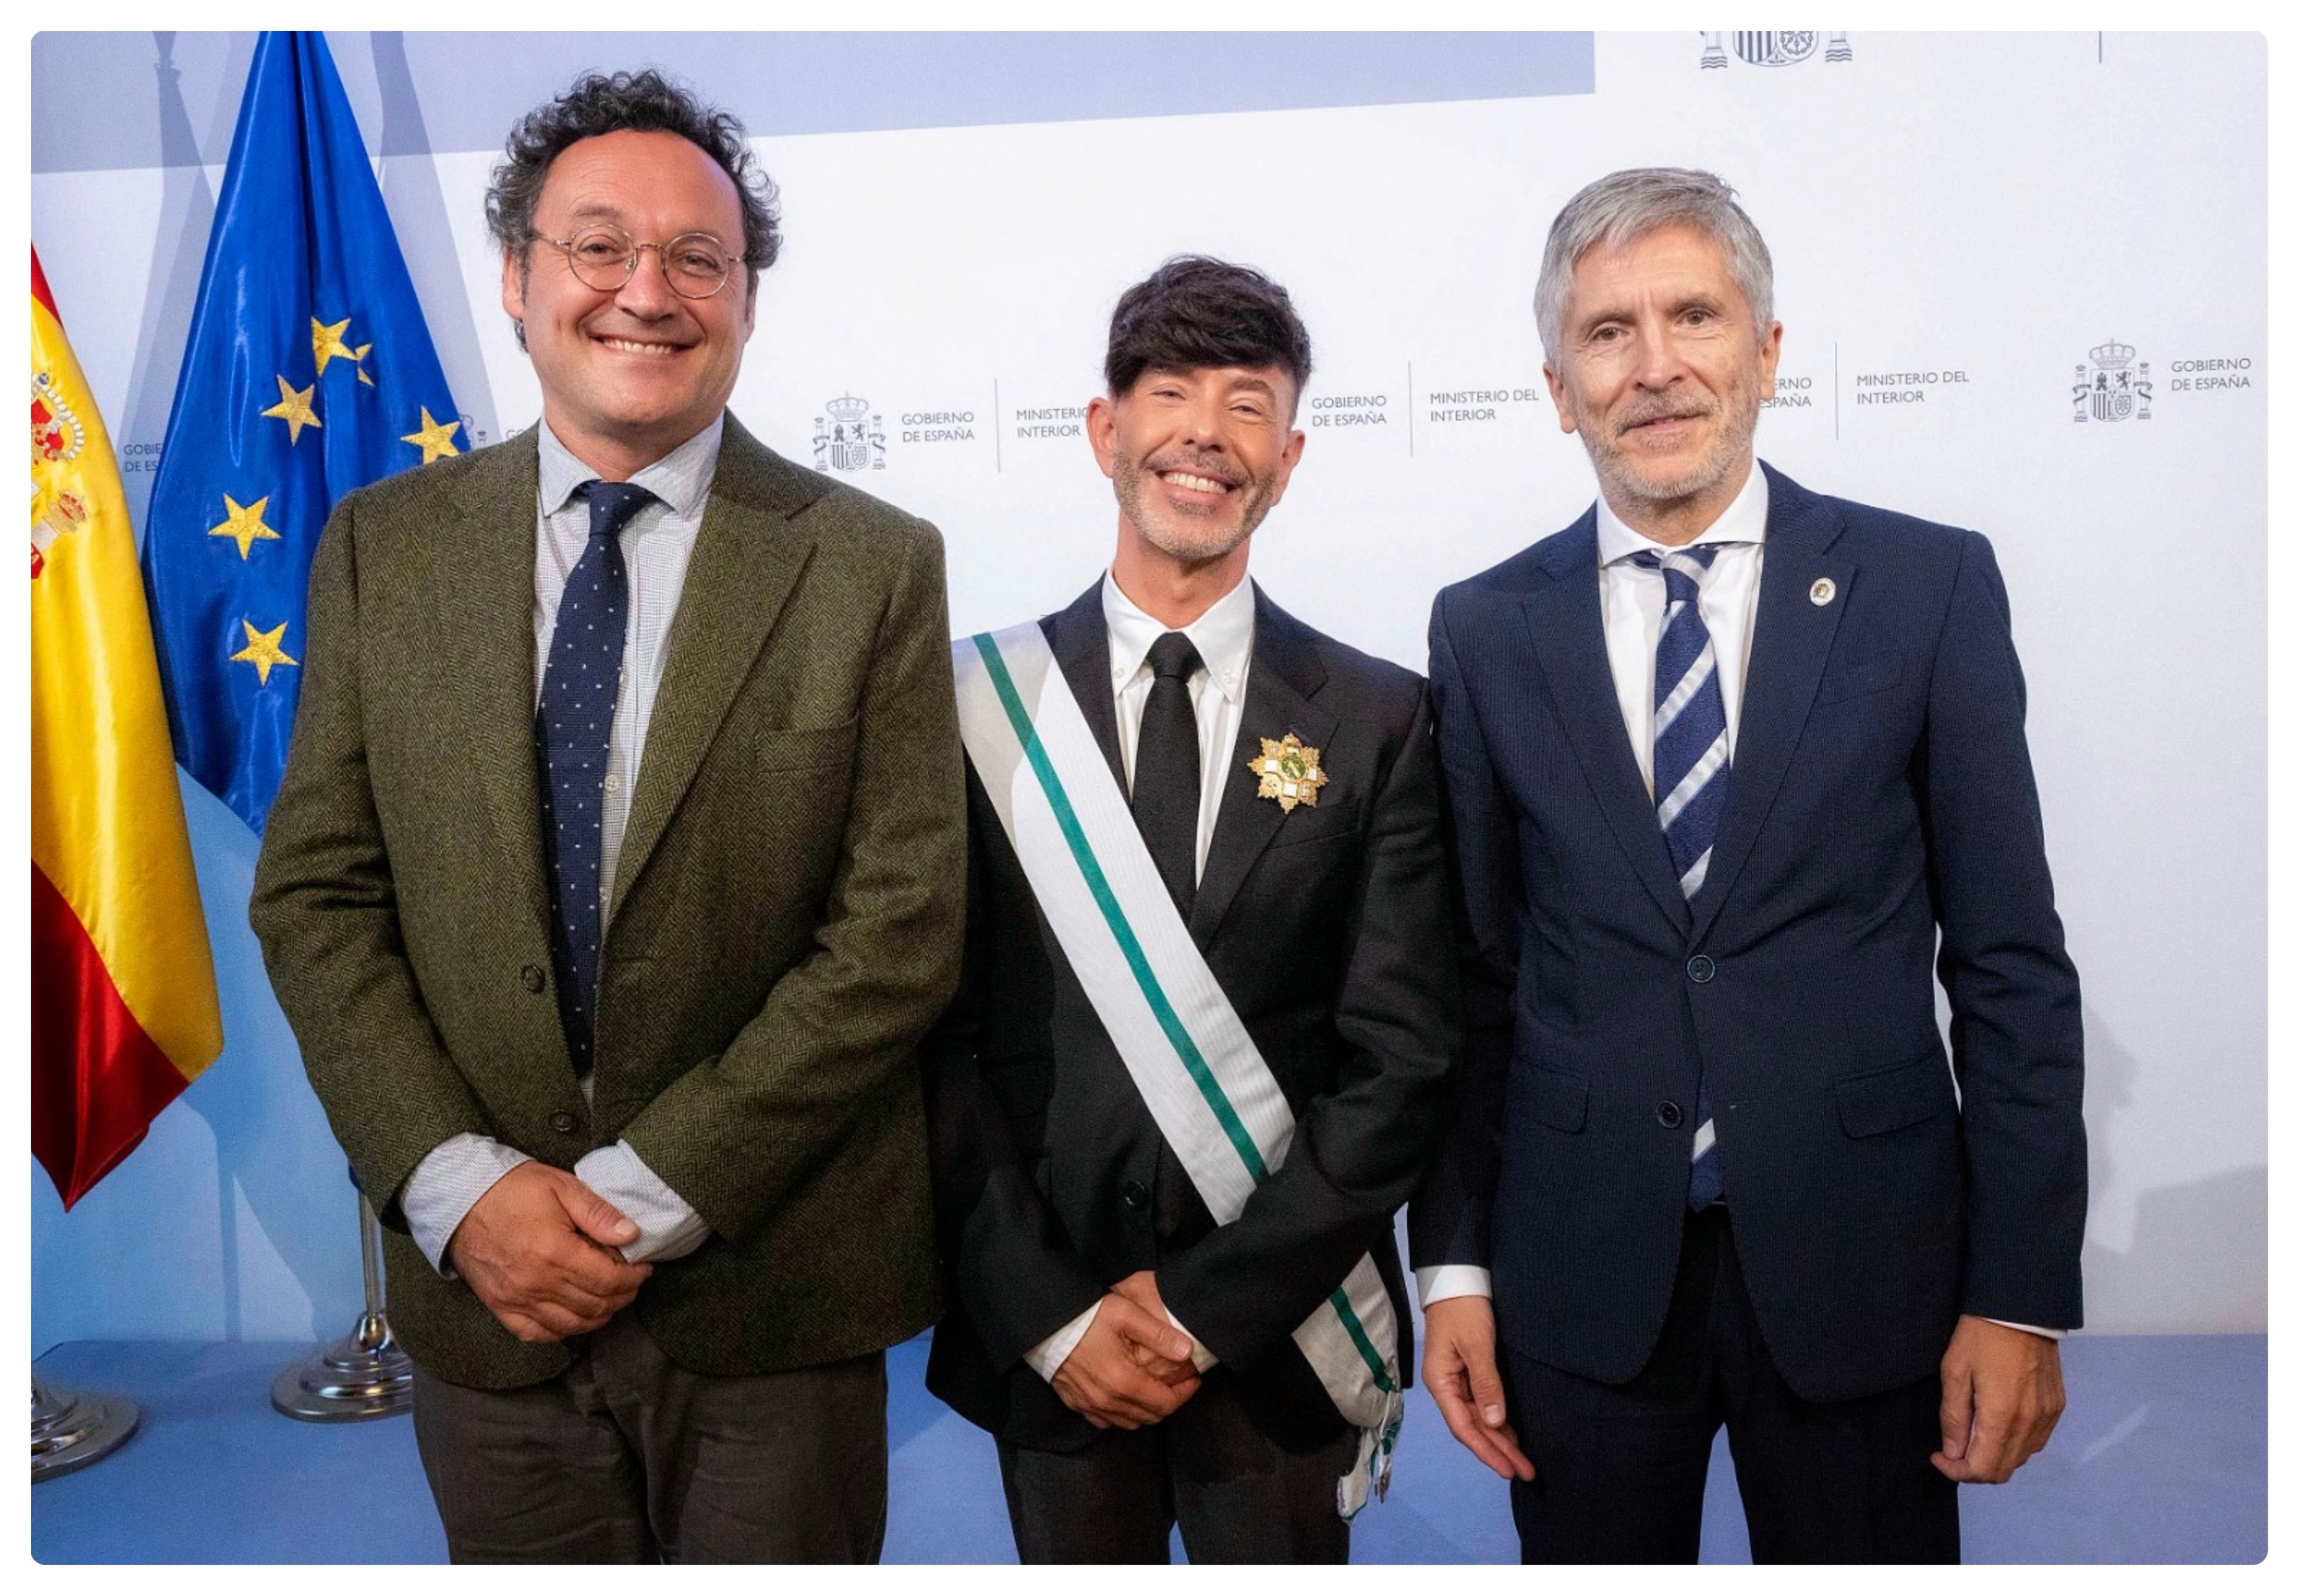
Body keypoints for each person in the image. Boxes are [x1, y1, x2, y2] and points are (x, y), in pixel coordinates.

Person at [249, 70, 966, 1564]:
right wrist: (462, 1189)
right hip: (485, 1297)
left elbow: (898, 932)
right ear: (519, 278)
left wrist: (649, 1192)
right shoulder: (383, 547)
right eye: (598, 246)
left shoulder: (872, 561)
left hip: (772, 1291)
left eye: (698, 257)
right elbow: (318, 894)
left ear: (747, 299)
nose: (647, 291)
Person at [1409, 168, 2086, 1563]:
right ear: (1558, 387)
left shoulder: (1926, 587)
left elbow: (2012, 963)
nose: (1654, 366)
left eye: (1695, 317)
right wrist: (1455, 1262)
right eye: (1608, 332)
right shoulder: (1483, 628)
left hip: (1868, 1270)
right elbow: (1473, 983)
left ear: (1767, 352)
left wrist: (2019, 1288)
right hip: (1581, 1283)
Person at [923, 256, 1462, 1563]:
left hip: (1281, 1342)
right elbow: (926, 1040)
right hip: (1050, 1341)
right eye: (1170, 394)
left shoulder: (1379, 717)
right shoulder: (971, 705)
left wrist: (1202, 1310)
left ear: (1289, 457)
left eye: (1248, 406)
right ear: (1105, 429)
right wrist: (1054, 1316)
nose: (1206, 436)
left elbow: (1401, 1060)